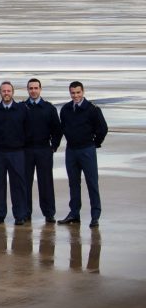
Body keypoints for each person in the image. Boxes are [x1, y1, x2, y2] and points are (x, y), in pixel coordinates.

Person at [58, 81, 107, 228]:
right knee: (73, 183)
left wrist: (95, 143)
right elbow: (63, 127)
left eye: (78, 92)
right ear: (70, 93)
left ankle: (95, 216)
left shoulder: (92, 109)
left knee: (92, 183)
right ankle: (74, 214)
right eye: (73, 93)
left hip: (87, 150)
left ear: (83, 92)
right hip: (71, 151)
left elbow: (103, 128)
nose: (75, 95)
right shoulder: (66, 109)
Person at [0, 81, 29, 225]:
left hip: (17, 152)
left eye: (8, 91)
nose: (6, 93)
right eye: (4, 91)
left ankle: (20, 215)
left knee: (18, 184)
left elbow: (27, 129)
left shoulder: (21, 109)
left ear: (13, 92)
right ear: (0, 93)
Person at [24, 78, 62, 223]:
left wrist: (54, 146)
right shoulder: (23, 107)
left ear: (40, 89)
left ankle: (49, 213)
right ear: (28, 90)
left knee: (45, 182)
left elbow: (57, 129)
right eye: (31, 88)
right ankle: (25, 212)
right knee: (25, 182)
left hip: (44, 149)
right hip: (26, 150)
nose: (33, 91)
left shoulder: (49, 108)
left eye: (36, 88)